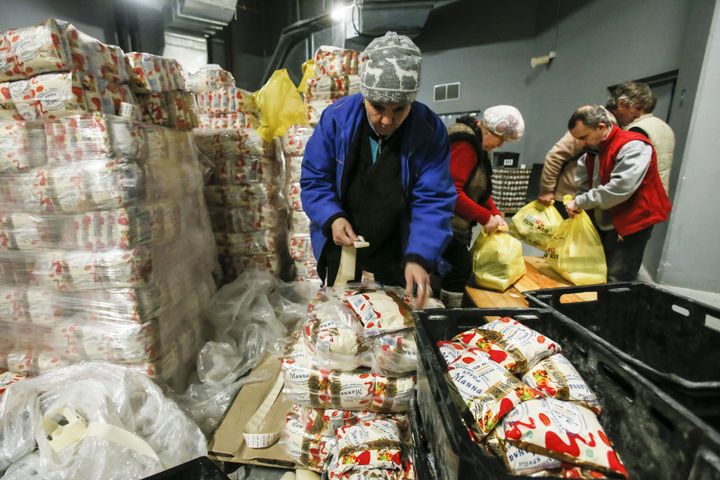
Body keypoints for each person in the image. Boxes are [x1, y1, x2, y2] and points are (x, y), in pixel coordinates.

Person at [300, 31, 456, 307]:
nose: (387, 120)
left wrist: (419, 255)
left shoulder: (428, 132)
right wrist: (332, 217)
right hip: (343, 241)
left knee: (396, 320)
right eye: (378, 107)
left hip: (396, 244)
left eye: (399, 109)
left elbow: (433, 199)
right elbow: (316, 179)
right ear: (364, 95)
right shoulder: (337, 120)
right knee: (341, 317)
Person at [565, 105, 671, 282]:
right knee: (597, 270)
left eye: (584, 137)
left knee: (618, 276)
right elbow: (583, 185)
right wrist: (579, 202)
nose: (580, 144)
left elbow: (620, 188)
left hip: (633, 219)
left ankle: (617, 309)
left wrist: (581, 202)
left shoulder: (633, 145)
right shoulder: (591, 153)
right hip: (606, 218)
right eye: (576, 138)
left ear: (601, 127)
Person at [440, 107, 525, 307]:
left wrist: (495, 213)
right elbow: (452, 191)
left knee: (451, 267)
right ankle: (447, 315)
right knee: (460, 268)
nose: (500, 144)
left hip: (449, 223)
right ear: (488, 130)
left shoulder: (478, 145)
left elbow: (478, 186)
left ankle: (440, 306)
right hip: (441, 222)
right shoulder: (465, 144)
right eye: (500, 139)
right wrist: (485, 217)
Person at [606, 81, 675, 193]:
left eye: (638, 108)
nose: (637, 114)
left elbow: (628, 176)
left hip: (640, 198)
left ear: (622, 103)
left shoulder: (637, 129)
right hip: (659, 195)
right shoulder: (664, 127)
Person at [537, 131, 584, 218]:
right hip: (568, 197)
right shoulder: (587, 124)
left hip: (594, 200)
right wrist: (547, 190)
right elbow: (555, 156)